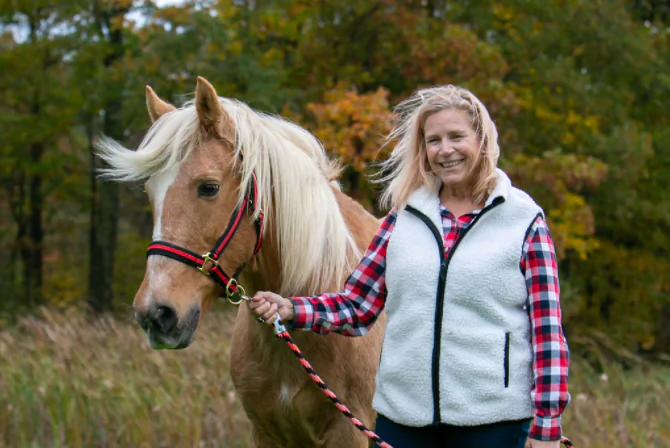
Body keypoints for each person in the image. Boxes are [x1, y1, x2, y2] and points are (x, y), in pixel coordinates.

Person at [250, 85, 570, 448]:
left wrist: (547, 428)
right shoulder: (403, 218)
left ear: (482, 140)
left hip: (494, 421)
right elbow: (356, 306)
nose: (445, 150)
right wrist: (292, 308)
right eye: (433, 140)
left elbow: (547, 332)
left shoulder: (523, 220)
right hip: (403, 419)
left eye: (456, 136)